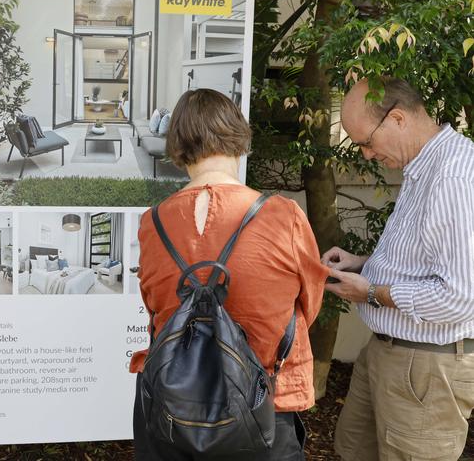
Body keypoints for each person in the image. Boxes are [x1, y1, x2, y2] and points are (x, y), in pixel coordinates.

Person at [130, 88, 329, 460]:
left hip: (174, 409)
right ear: (238, 137)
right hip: (265, 403)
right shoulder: (282, 216)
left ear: (178, 145)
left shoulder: (152, 223)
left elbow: (156, 305)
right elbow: (308, 305)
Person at [322, 77, 474, 461]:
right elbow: (423, 260)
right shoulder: (422, 165)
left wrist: (371, 292)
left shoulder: (453, 177)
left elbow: (459, 297)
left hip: (427, 364)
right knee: (353, 448)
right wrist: (364, 264)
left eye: (366, 142)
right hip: (389, 352)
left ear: (398, 119)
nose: (367, 155)